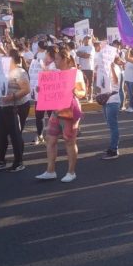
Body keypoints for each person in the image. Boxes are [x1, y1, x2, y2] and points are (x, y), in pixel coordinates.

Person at [35, 47, 86, 183]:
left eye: (57, 59)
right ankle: (50, 171)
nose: (55, 61)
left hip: (69, 112)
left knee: (69, 141)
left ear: (65, 59)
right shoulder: (55, 73)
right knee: (50, 139)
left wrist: (76, 91)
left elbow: (82, 93)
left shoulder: (76, 73)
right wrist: (41, 88)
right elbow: (48, 89)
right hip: (56, 111)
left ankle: (71, 172)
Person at [0, 49, 31, 172]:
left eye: (6, 58)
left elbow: (26, 89)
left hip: (15, 107)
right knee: (1, 134)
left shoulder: (19, 72)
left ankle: (19, 161)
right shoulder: (1, 71)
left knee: (15, 134)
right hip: (0, 106)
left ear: (12, 60)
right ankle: (0, 160)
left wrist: (12, 97)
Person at [31, 46, 57, 145]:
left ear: (51, 56)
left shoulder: (54, 67)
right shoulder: (42, 65)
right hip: (40, 95)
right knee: (39, 116)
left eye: (46, 54)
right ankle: (40, 135)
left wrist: (45, 70)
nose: (45, 56)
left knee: (51, 116)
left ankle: (52, 135)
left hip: (50, 96)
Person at [100, 56, 123, 159]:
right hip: (106, 99)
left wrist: (112, 68)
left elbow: (116, 81)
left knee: (113, 126)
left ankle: (114, 150)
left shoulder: (116, 68)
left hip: (113, 100)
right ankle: (113, 146)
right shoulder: (105, 68)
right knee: (110, 124)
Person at [76, 35, 95, 102]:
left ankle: (90, 97)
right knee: (83, 83)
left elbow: (88, 56)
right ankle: (85, 96)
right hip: (82, 68)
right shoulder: (80, 47)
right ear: (83, 40)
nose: (87, 40)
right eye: (86, 39)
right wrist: (83, 54)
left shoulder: (91, 47)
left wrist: (82, 54)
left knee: (90, 83)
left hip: (89, 68)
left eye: (88, 39)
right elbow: (77, 54)